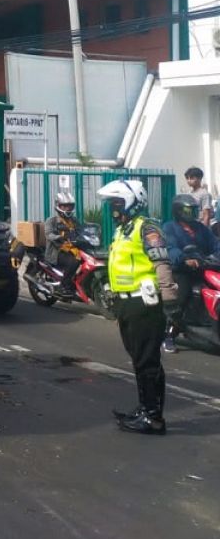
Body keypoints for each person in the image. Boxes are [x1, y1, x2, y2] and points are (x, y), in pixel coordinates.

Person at [98, 179, 176, 435]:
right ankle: (146, 409)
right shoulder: (124, 230)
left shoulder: (147, 228)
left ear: (133, 202)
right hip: (128, 303)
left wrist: (170, 302)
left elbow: (162, 264)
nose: (113, 209)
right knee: (140, 360)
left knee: (147, 360)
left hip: (145, 303)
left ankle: (153, 418)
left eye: (117, 203)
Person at [161, 193, 220, 353]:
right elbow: (170, 248)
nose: (193, 214)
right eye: (188, 211)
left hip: (204, 267)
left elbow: (215, 244)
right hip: (183, 271)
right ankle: (169, 335)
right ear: (179, 211)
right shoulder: (169, 227)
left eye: (194, 210)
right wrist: (184, 259)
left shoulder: (201, 228)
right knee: (181, 298)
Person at [44, 192, 82, 295]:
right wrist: (60, 237)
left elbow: (81, 232)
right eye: (64, 206)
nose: (68, 209)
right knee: (74, 262)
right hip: (57, 251)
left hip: (73, 249)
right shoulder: (51, 221)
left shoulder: (74, 220)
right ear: (58, 206)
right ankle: (64, 285)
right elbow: (49, 235)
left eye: (70, 206)